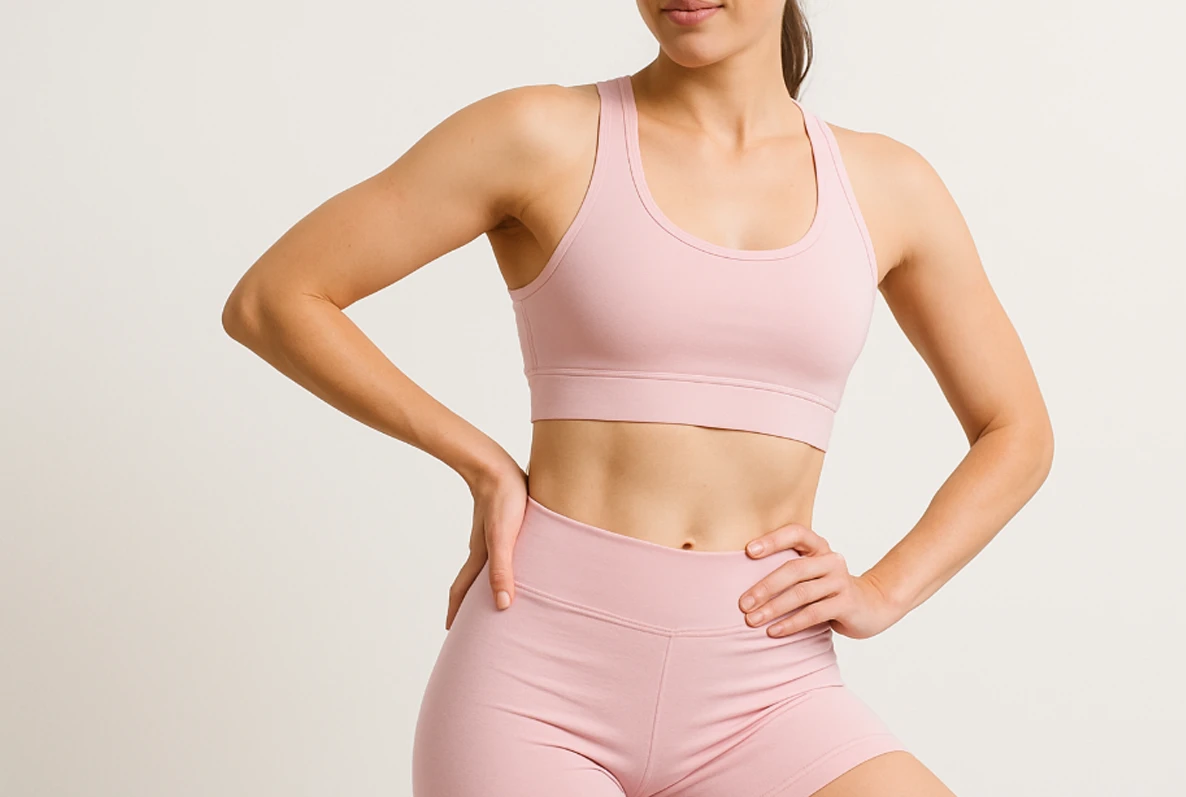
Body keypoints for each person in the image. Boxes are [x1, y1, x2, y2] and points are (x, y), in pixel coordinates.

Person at [221, 1, 1054, 794]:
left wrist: (885, 589)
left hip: (770, 690)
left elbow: (1015, 429)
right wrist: (481, 463)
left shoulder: (889, 185)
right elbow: (276, 298)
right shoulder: (538, 136)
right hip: (536, 684)